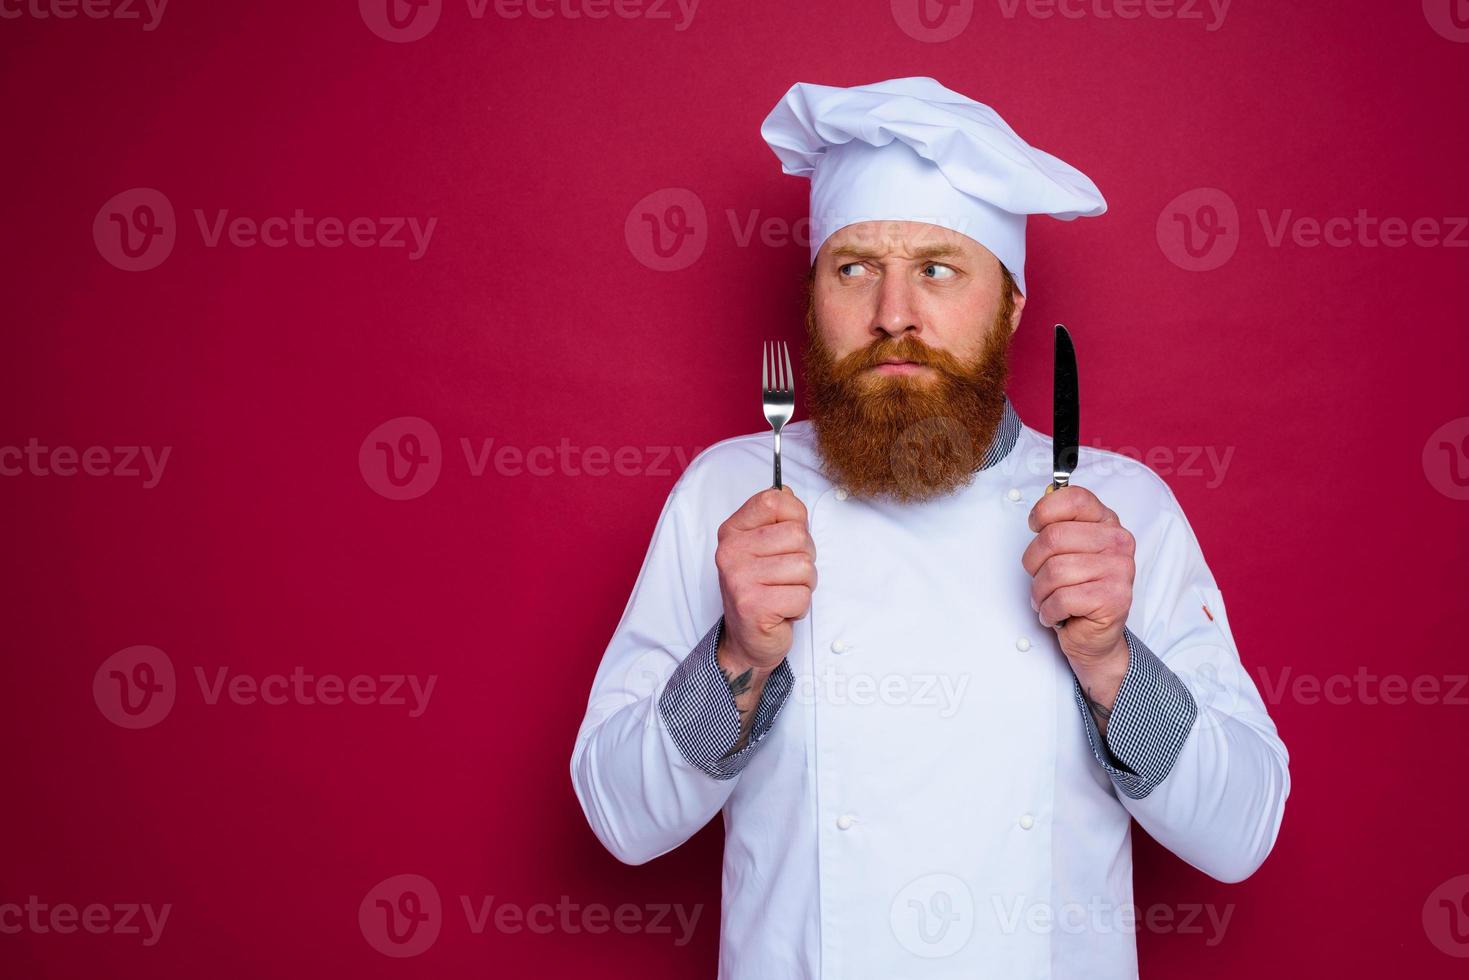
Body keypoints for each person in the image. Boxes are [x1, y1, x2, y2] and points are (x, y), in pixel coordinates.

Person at [570, 76, 1289, 979]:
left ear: (1011, 304)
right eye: (854, 267)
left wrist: (1111, 661)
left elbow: (1241, 835)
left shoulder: (1119, 512)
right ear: (813, 298)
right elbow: (619, 822)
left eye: (938, 269)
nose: (893, 315)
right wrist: (737, 656)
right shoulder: (731, 494)